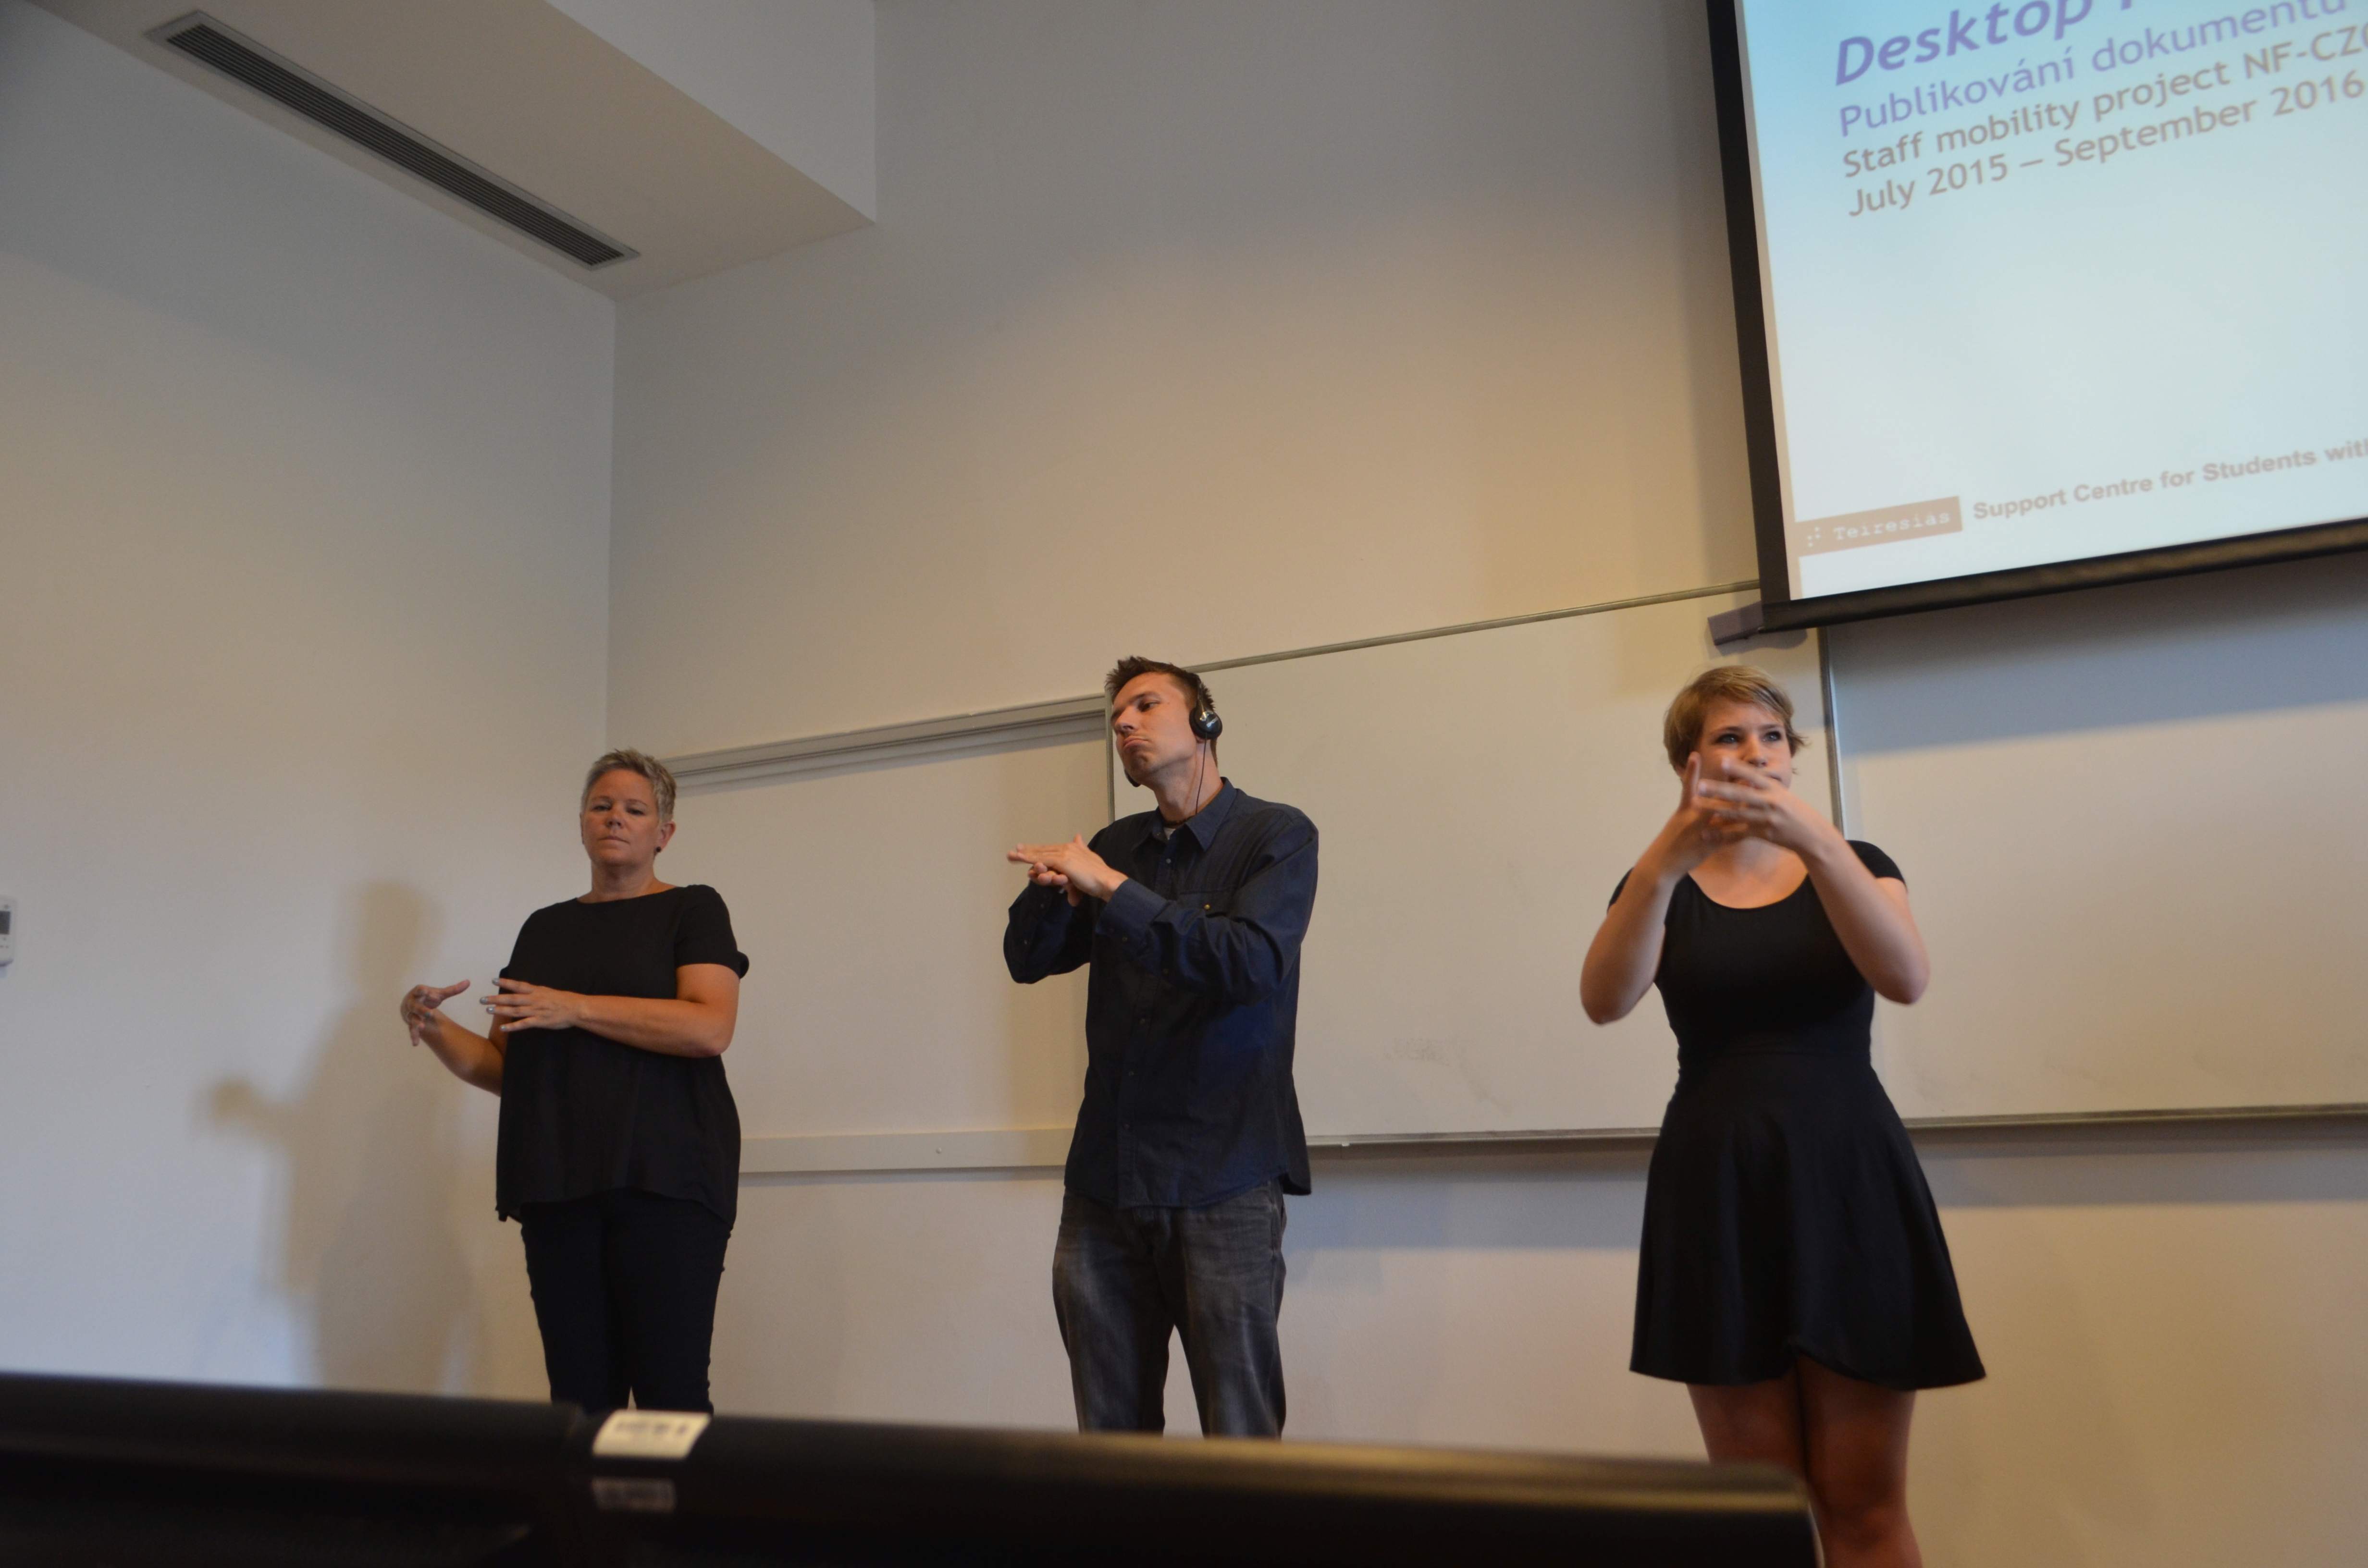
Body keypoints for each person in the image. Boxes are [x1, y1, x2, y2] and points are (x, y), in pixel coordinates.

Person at [1579, 666, 1980, 1568]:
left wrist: (1819, 843)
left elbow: (1905, 977)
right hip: (1716, 1189)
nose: (1756, 753)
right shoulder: (1659, 881)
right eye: (1730, 737)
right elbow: (1604, 1000)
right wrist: (1665, 858)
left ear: (1793, 758)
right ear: (1689, 763)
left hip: (1849, 1182)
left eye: (1771, 736)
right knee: (1760, 1512)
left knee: (1862, 1503)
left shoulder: (1858, 861)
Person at [1003, 657, 1318, 1437]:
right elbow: (1027, 962)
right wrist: (1051, 897)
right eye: (1117, 718)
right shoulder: (1115, 845)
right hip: (1106, 1183)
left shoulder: (1276, 835)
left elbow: (1249, 964)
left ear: (1204, 720)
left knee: (1239, 1434)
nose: (1125, 724)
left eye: (1145, 706)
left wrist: (1113, 890)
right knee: (1111, 1439)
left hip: (1224, 1178)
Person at [398, 748, 748, 1414]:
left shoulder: (693, 909)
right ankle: (592, 1493)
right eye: (601, 805)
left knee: (671, 1394)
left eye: (635, 809)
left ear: (664, 833)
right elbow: (506, 1069)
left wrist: (575, 1008)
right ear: (581, 824)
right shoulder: (545, 928)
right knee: (579, 1402)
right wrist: (433, 1026)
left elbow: (709, 1027)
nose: (615, 818)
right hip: (558, 1183)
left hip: (668, 1180)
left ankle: (680, 1493)